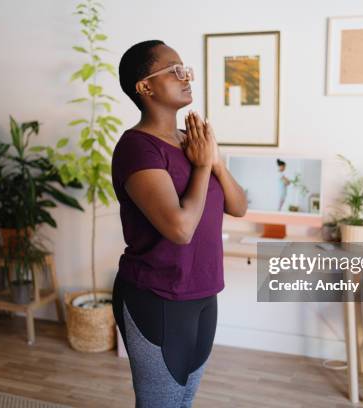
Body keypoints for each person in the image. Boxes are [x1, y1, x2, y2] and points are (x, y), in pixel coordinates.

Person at [111, 39, 248, 408]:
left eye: (184, 68)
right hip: (157, 297)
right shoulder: (137, 148)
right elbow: (180, 228)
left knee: (183, 402)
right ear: (145, 87)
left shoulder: (193, 143)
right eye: (173, 70)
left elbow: (239, 206)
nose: (185, 76)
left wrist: (214, 159)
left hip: (203, 294)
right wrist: (203, 166)